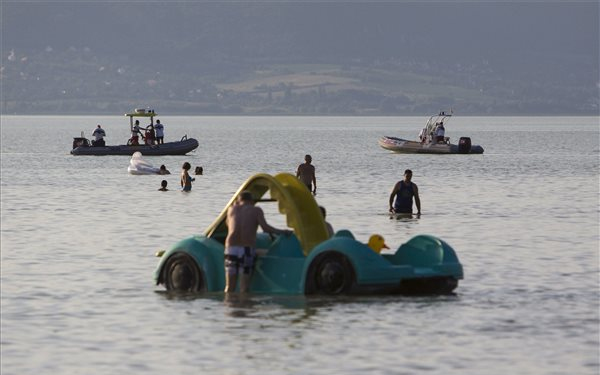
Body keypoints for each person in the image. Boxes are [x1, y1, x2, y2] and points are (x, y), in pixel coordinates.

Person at [224, 191, 292, 293]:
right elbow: (265, 228)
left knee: (229, 287)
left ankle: (228, 308)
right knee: (244, 287)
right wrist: (282, 232)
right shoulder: (256, 210)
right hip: (246, 249)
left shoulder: (231, 210)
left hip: (231, 249)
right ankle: (244, 308)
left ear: (238, 200)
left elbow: (228, 224)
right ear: (251, 201)